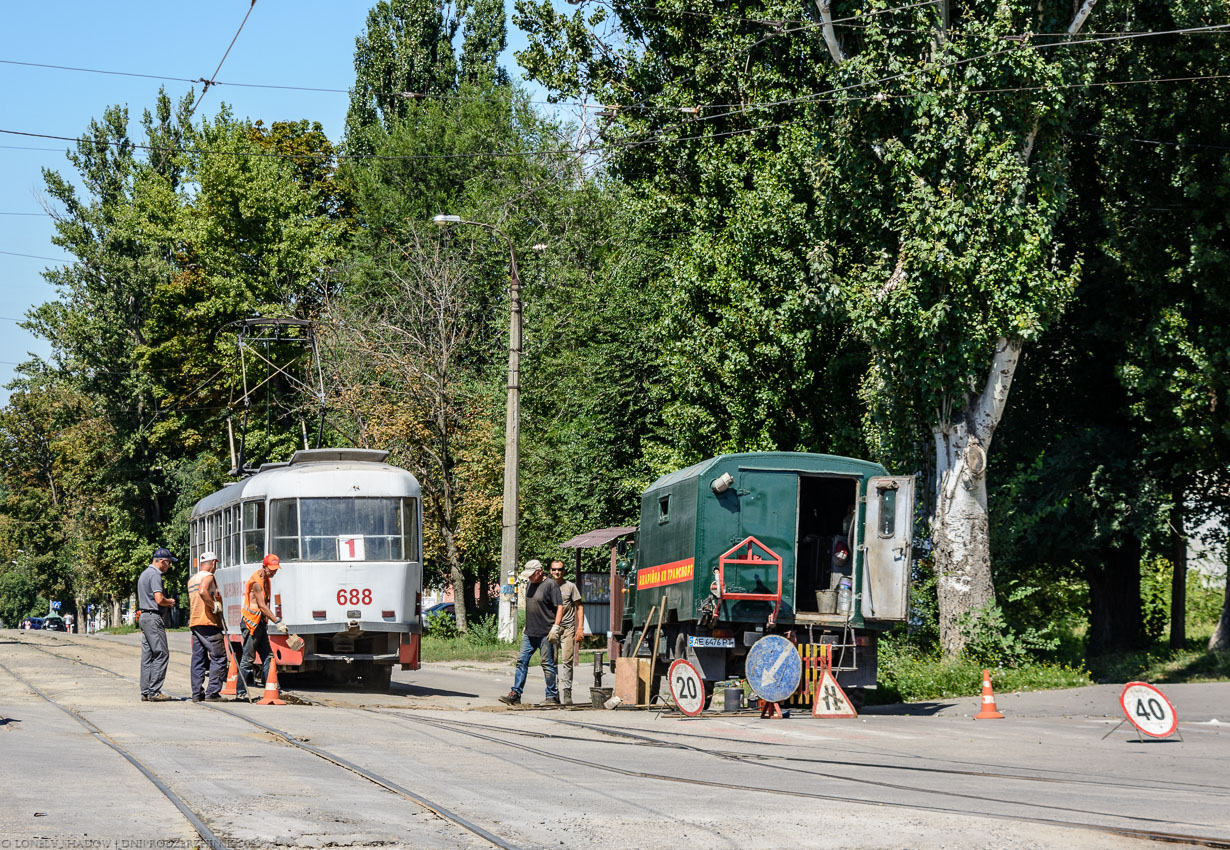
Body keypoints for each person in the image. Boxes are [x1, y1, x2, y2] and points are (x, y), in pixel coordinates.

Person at [499, 559, 563, 707]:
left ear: (540, 572)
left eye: (532, 575)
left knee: (547, 664)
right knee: (521, 661)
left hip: (546, 633)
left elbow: (560, 607)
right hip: (530, 633)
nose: (529, 578)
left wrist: (556, 627)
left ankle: (551, 696)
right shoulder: (529, 584)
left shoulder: (550, 585)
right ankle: (515, 694)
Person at [240, 554, 288, 697]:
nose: (274, 572)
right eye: (271, 569)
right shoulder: (256, 582)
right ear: (264, 567)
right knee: (248, 660)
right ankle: (240, 692)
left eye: (275, 569)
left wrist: (266, 620)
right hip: (251, 624)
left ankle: (274, 689)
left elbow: (266, 601)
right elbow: (261, 605)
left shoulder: (266, 579)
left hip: (260, 623)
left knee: (268, 657)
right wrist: (277, 621)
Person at [137, 547, 178, 702]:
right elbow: (159, 599)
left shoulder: (144, 574)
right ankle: (155, 691)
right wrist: (170, 602)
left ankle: (145, 691)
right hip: (154, 618)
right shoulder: (155, 575)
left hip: (144, 617)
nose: (169, 566)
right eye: (168, 563)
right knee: (161, 653)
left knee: (147, 655)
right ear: (162, 562)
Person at [187, 551, 227, 702]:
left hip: (195, 622)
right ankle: (213, 693)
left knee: (198, 659)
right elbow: (203, 591)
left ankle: (197, 693)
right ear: (213, 564)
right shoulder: (208, 577)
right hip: (208, 623)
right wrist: (214, 605)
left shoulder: (192, 579)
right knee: (219, 657)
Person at [549, 560, 585, 705]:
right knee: (552, 662)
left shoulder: (570, 586)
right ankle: (553, 693)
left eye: (560, 569)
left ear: (564, 571)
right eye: (554, 569)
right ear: (550, 571)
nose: (557, 572)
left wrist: (580, 627)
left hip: (567, 629)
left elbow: (579, 607)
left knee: (567, 661)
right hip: (552, 629)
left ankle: (567, 692)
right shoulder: (547, 586)